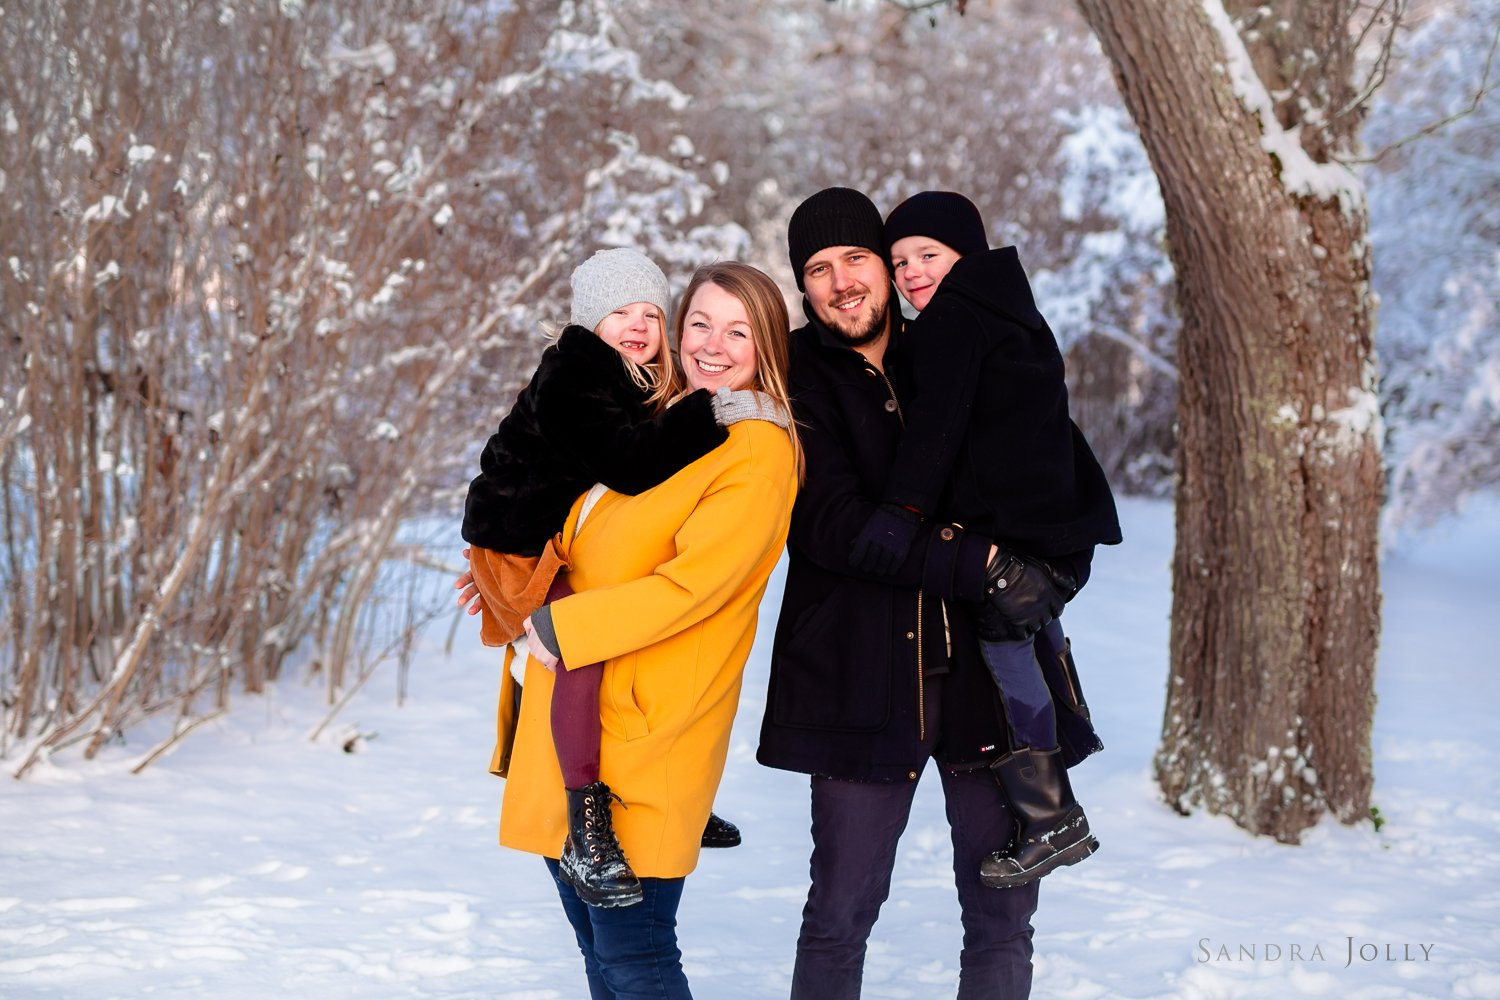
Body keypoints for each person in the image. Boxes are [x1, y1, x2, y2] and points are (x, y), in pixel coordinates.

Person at [757, 187, 1105, 1000]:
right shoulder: (795, 381)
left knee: (1001, 915)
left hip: (981, 689)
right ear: (802, 287)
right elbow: (834, 525)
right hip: (859, 681)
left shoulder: (953, 344)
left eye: (857, 260)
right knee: (840, 913)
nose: (842, 282)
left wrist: (1057, 569)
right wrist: (983, 562)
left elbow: (1047, 464)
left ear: (886, 268)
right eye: (817, 268)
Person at [461, 261, 801, 998]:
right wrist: (514, 567)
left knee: (637, 960)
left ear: (767, 344)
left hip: (645, 733)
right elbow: (584, 516)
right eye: (700, 323)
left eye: (738, 330)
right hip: (573, 721)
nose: (713, 343)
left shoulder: (756, 446)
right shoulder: (659, 411)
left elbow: (694, 587)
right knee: (601, 958)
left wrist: (558, 623)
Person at [847, 190, 1122, 889]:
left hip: (1022, 535)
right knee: (1029, 629)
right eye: (899, 260)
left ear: (963, 255)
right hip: (1057, 527)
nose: (910, 273)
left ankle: (1050, 811)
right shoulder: (1010, 311)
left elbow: (936, 432)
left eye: (927, 256)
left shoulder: (955, 320)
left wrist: (899, 511)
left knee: (1003, 638)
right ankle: (1069, 734)